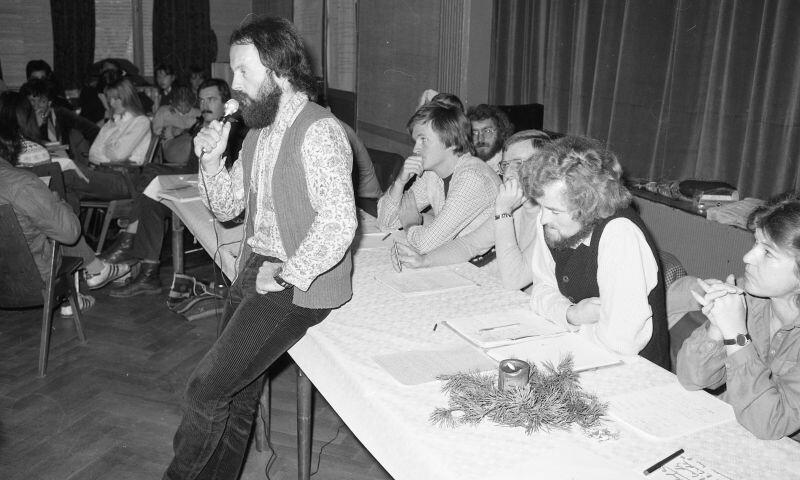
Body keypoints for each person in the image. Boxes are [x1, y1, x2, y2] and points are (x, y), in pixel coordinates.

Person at [162, 17, 356, 479]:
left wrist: (288, 272)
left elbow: (339, 222)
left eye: (244, 72)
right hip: (254, 268)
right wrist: (210, 161)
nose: (234, 84)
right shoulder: (259, 131)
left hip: (298, 284)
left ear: (279, 71)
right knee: (238, 392)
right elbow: (227, 207)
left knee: (205, 389)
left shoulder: (320, 131)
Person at [521, 135, 670, 369]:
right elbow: (541, 292)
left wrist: (566, 326)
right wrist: (572, 315)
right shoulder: (552, 223)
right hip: (580, 355)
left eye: (554, 210)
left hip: (632, 371)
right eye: (541, 205)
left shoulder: (620, 234)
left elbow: (622, 342)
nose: (543, 218)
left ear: (589, 206)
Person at [102, 78, 247, 297]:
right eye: (201, 100)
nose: (205, 104)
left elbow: (230, 175)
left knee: (152, 173)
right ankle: (148, 274)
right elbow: (186, 163)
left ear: (226, 102)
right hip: (191, 185)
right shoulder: (202, 124)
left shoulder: (235, 129)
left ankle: (128, 234)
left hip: (216, 197)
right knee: (151, 200)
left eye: (211, 99)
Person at [677, 193, 800, 440]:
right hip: (726, 431)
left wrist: (735, 336)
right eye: (755, 243)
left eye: (767, 252)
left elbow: (770, 424)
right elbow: (692, 378)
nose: (747, 257)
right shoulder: (749, 298)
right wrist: (717, 325)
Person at [0, 92, 129, 315]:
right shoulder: (22, 183)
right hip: (36, 281)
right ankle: (75, 293)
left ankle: (96, 270)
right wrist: (56, 200)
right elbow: (69, 233)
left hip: (5, 278)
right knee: (61, 215)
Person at [392, 130, 549, 276]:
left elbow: (513, 279)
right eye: (505, 165)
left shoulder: (551, 216)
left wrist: (503, 212)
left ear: (545, 166)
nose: (508, 173)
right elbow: (470, 244)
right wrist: (424, 260)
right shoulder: (516, 206)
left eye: (519, 163)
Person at [377, 102, 500, 262]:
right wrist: (400, 182)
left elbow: (425, 245)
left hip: (485, 270)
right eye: (415, 141)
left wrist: (410, 225)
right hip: (453, 261)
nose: (415, 149)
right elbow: (386, 223)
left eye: (423, 140)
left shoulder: (473, 179)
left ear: (451, 142)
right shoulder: (432, 173)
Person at [63, 77, 152, 201]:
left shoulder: (140, 122)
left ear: (127, 97)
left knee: (66, 175)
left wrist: (105, 148)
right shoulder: (112, 122)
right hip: (103, 173)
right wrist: (111, 148)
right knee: (65, 177)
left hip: (124, 180)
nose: (111, 103)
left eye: (116, 98)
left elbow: (118, 155)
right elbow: (93, 154)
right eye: (110, 98)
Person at [20, 78, 100, 163]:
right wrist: (36, 125)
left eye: (42, 101)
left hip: (66, 161)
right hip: (36, 162)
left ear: (49, 102)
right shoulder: (22, 118)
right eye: (32, 101)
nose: (36, 106)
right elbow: (23, 146)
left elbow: (93, 130)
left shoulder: (61, 113)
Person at [467, 104, 513, 175]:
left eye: (487, 131)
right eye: (474, 133)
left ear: (501, 131)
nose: (480, 139)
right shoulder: (466, 165)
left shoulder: (511, 167)